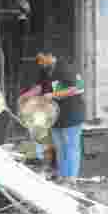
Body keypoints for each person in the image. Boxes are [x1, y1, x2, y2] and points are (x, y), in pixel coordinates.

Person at [22, 51, 85, 182]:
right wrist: (26, 96)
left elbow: (74, 88)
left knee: (71, 147)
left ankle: (71, 178)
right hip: (55, 115)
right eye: (38, 60)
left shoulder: (64, 67)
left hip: (71, 113)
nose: (39, 63)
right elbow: (40, 87)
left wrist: (53, 95)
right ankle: (62, 176)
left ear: (50, 56)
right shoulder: (45, 70)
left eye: (41, 59)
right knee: (60, 147)